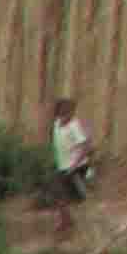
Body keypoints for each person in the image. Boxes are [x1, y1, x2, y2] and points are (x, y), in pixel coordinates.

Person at [46, 97, 95, 242]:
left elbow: (86, 147)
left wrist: (74, 166)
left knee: (80, 196)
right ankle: (66, 221)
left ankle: (90, 224)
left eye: (70, 112)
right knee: (59, 195)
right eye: (64, 112)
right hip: (63, 166)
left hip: (77, 167)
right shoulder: (56, 124)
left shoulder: (74, 126)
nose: (68, 115)